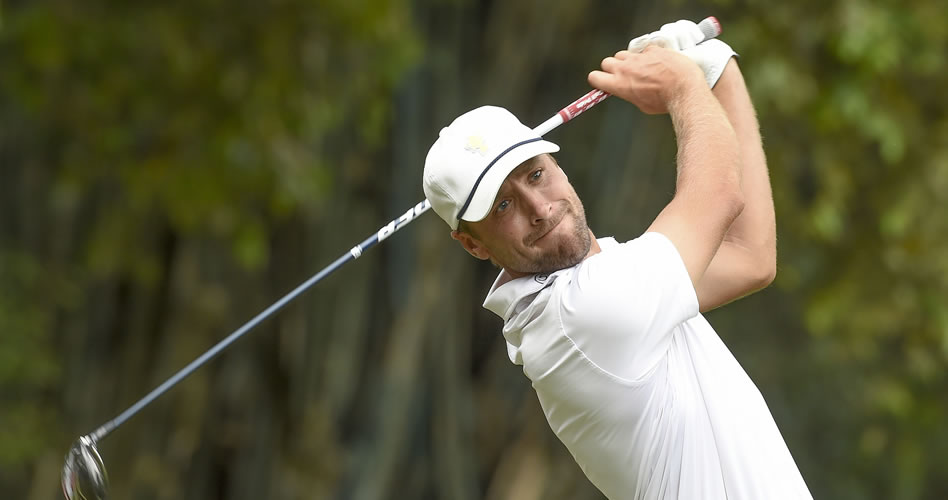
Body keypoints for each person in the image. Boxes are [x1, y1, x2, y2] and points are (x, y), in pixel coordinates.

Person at [422, 20, 812, 500]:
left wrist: (716, 72)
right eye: (503, 206)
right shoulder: (577, 316)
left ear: (557, 165)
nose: (539, 207)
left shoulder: (606, 280)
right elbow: (717, 195)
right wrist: (683, 85)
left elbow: (749, 256)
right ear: (473, 244)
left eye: (536, 174)